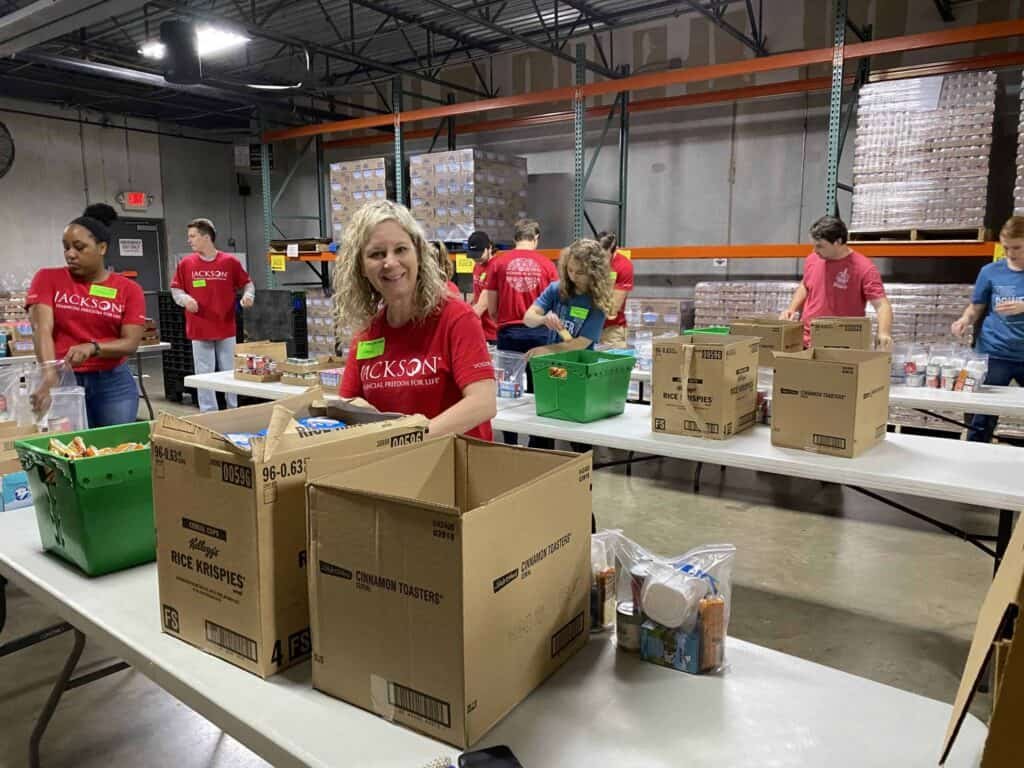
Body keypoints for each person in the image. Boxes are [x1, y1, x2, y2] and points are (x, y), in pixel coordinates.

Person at [337, 200, 497, 439]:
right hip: (396, 470)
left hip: (455, 469)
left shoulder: (456, 318)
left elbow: (483, 403)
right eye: (376, 254)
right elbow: (347, 401)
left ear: (419, 254)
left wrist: (406, 440)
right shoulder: (367, 333)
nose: (390, 263)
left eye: (400, 249)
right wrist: (358, 409)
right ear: (361, 267)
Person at [27, 203, 147, 427]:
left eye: (79, 248)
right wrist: (50, 375)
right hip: (64, 380)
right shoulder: (48, 279)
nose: (70, 254)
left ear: (101, 248)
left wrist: (94, 347)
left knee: (112, 450)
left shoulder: (129, 290)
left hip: (112, 383)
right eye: (66, 247)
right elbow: (41, 329)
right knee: (69, 449)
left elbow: (130, 343)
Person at [482, 218, 557, 445]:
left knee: (508, 393)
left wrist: (502, 320)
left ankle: (510, 442)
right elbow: (556, 303)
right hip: (541, 335)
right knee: (541, 393)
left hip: (508, 334)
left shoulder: (498, 263)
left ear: (515, 238)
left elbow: (492, 306)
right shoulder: (547, 265)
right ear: (535, 239)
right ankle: (539, 442)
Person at [952, 216, 1024, 443]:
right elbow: (976, 306)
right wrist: (964, 320)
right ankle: (973, 457)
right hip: (994, 353)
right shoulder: (990, 271)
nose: (1010, 253)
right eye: (1006, 248)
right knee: (982, 416)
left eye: (1017, 248)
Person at [170, 218, 255, 412]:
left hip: (226, 327)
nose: (189, 241)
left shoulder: (229, 262)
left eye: (192, 236)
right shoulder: (186, 264)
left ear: (206, 237)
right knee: (204, 375)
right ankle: (209, 412)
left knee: (230, 373)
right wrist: (185, 300)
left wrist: (249, 296)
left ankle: (233, 409)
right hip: (199, 328)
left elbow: (247, 283)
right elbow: (176, 290)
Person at [780, 215, 893, 350]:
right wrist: (791, 309)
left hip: (841, 344)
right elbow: (805, 285)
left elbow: (881, 305)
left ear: (838, 241)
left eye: (820, 246)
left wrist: (883, 333)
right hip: (806, 340)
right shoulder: (813, 259)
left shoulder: (864, 268)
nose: (815, 250)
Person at [523, 239, 615, 359]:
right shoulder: (556, 289)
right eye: (570, 270)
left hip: (580, 364)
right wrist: (543, 319)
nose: (573, 276)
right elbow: (528, 318)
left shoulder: (597, 301)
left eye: (580, 272)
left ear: (594, 272)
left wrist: (546, 350)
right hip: (554, 363)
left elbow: (581, 343)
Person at [598, 231, 634, 348]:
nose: (600, 259)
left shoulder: (624, 265)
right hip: (587, 328)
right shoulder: (592, 262)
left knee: (612, 364)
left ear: (613, 250)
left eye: (604, 255)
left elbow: (613, 309)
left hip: (612, 331)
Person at [467, 230, 497, 343]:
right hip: (481, 330)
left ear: (489, 248)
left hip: (494, 334)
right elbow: (476, 296)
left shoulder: (495, 268)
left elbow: (481, 306)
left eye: (479, 255)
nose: (476, 259)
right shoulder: (477, 265)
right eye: (473, 256)